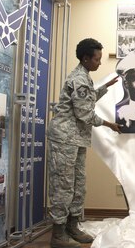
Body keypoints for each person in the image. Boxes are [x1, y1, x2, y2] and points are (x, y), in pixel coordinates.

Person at [47, 38, 121, 248]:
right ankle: (58, 235)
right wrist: (109, 124)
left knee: (78, 184)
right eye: (97, 59)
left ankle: (72, 226)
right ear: (86, 58)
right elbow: (84, 113)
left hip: (76, 139)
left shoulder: (85, 78)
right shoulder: (79, 79)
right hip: (64, 139)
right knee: (63, 186)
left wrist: (104, 87)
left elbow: (85, 99)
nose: (99, 63)